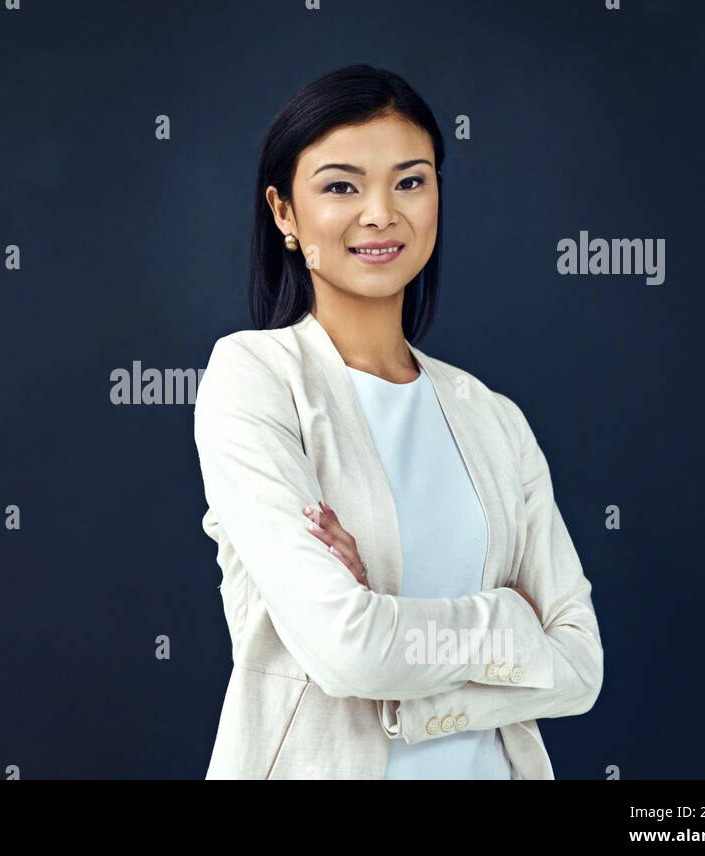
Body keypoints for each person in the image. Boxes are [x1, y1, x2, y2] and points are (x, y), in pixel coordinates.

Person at [194, 64, 603, 779]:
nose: (381, 212)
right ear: (284, 213)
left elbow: (578, 666)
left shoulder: (493, 417)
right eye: (341, 185)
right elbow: (345, 648)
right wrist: (508, 624)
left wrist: (387, 621)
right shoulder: (255, 378)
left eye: (410, 181)